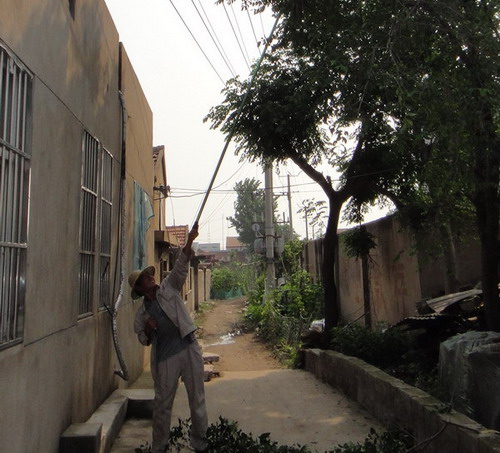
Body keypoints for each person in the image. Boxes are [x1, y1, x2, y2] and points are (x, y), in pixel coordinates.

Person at [129, 222, 208, 453]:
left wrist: (190, 240)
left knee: (197, 399)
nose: (150, 278)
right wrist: (149, 330)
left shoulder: (168, 288)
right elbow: (142, 339)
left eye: (149, 275)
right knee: (163, 405)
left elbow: (181, 266)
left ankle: (201, 444)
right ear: (140, 288)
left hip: (189, 347)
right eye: (145, 278)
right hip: (166, 358)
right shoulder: (141, 315)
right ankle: (159, 447)